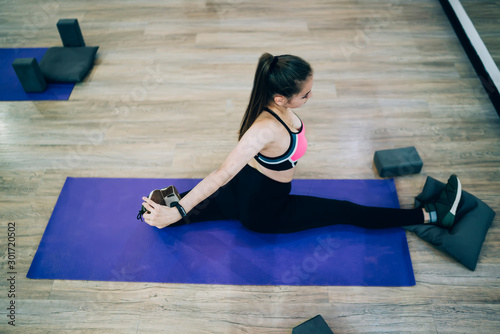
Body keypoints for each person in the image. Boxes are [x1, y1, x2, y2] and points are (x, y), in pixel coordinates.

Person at [140, 53, 462, 233]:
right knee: (347, 212)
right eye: (305, 94)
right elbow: (222, 173)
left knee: (188, 211)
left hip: (246, 188)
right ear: (282, 98)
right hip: (265, 209)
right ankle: (431, 216)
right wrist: (180, 207)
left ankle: (163, 212)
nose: (310, 97)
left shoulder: (273, 105)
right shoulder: (264, 129)